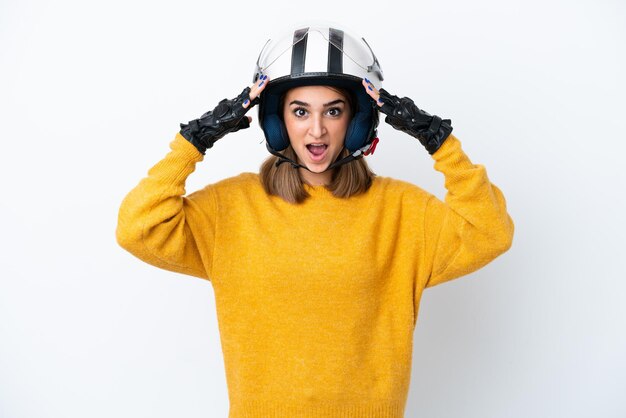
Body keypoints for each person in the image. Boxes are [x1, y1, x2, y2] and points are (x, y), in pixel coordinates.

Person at [116, 23, 514, 418]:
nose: (317, 129)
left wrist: (441, 144)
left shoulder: (401, 210)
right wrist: (195, 141)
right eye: (300, 111)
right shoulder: (231, 208)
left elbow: (490, 233)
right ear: (277, 121)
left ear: (357, 122)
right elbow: (138, 227)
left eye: (334, 111)